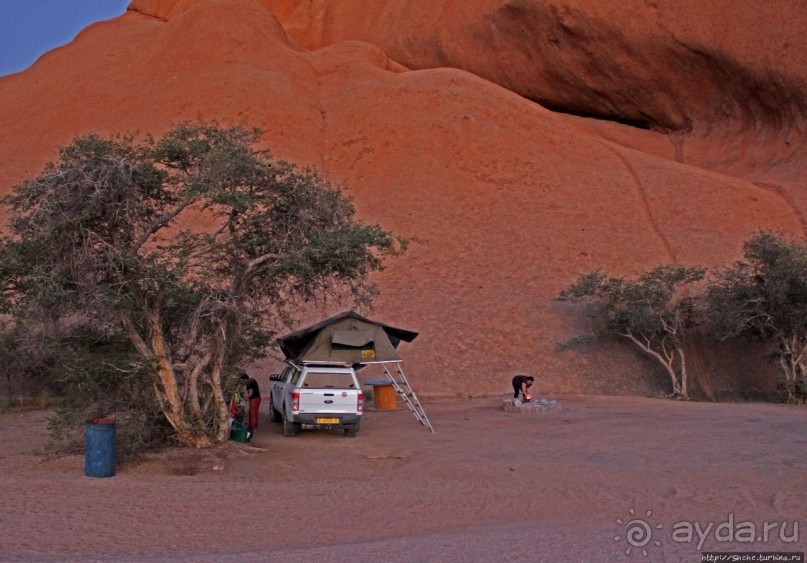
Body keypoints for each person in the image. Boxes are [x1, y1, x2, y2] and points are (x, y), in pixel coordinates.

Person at [240, 372, 261, 441]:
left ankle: (252, 428)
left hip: (254, 399)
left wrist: (245, 399)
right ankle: (253, 426)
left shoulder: (249, 383)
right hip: (257, 398)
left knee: (252, 413)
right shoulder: (252, 380)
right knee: (254, 412)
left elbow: (251, 393)